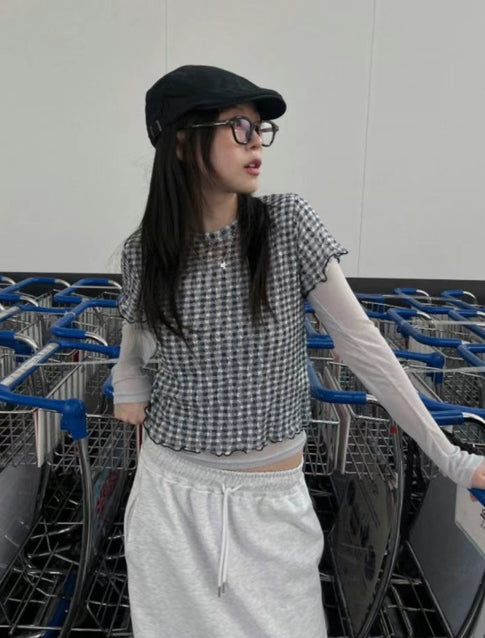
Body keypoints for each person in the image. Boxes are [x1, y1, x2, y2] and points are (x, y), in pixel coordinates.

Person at [112, 64, 485, 638]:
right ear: (182, 144)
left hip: (272, 505)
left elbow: (363, 346)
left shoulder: (287, 225)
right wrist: (129, 387)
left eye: (260, 129)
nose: (256, 143)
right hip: (172, 498)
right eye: (239, 127)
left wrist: (453, 458)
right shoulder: (144, 252)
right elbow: (134, 347)